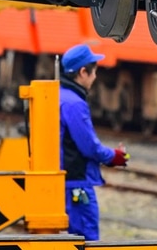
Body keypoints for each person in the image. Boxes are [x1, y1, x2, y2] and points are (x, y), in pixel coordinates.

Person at [57, 43, 127, 241]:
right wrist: (114, 156)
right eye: (94, 71)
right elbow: (89, 146)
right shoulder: (74, 104)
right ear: (83, 72)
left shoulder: (58, 95)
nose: (95, 77)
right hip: (75, 184)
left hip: (60, 181)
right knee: (85, 239)